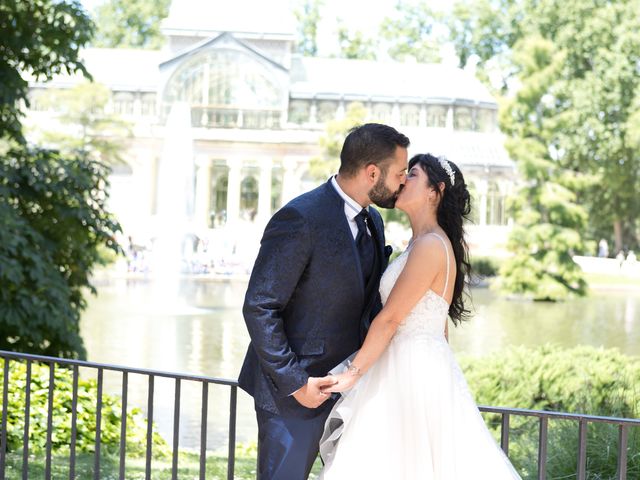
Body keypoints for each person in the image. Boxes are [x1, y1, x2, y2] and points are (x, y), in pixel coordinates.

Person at [318, 153, 521, 479]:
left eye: (411, 174)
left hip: (412, 372)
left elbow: (390, 319)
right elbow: (440, 329)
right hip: (412, 366)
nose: (401, 179)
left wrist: (352, 374)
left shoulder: (430, 245)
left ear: (434, 191)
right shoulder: (422, 244)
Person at [238, 123, 410, 479]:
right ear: (372, 172)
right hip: (292, 398)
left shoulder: (374, 221)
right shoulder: (300, 218)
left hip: (350, 395)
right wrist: (297, 383)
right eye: (400, 173)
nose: (404, 182)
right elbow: (259, 306)